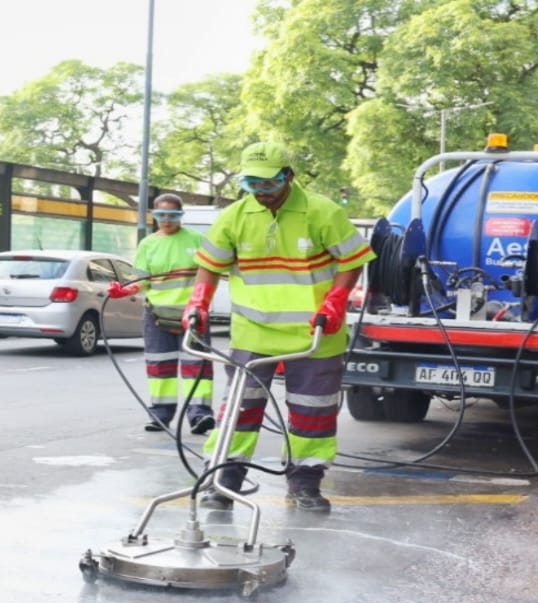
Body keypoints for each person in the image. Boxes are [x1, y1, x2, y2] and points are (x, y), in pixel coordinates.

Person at [181, 141, 375, 513]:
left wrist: (334, 302)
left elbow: (353, 260)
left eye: (268, 184)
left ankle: (304, 484)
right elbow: (210, 265)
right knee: (238, 411)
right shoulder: (235, 216)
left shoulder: (322, 212)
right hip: (252, 332)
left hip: (314, 333)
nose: (261, 192)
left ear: (289, 176)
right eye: (253, 184)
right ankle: (222, 480)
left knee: (312, 412)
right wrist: (198, 302)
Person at [110, 194, 215, 435]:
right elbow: (140, 280)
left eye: (172, 215)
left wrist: (200, 306)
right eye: (161, 215)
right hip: (157, 314)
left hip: (192, 314)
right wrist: (123, 290)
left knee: (196, 365)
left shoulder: (197, 240)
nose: (166, 220)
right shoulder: (148, 244)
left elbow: (210, 273)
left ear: (180, 216)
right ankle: (160, 415)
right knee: (160, 366)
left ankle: (200, 415)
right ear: (154, 216)